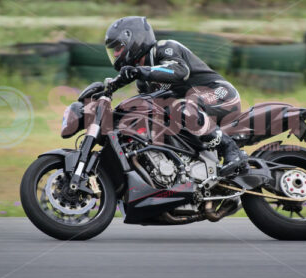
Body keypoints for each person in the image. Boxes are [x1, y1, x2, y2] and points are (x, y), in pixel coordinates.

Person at [104, 16, 247, 176]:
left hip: (221, 95)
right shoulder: (143, 82)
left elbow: (179, 70)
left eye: (118, 47)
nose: (116, 54)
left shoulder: (164, 48)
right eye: (113, 50)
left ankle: (231, 148)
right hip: (196, 110)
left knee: (179, 106)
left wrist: (141, 71)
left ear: (134, 39)